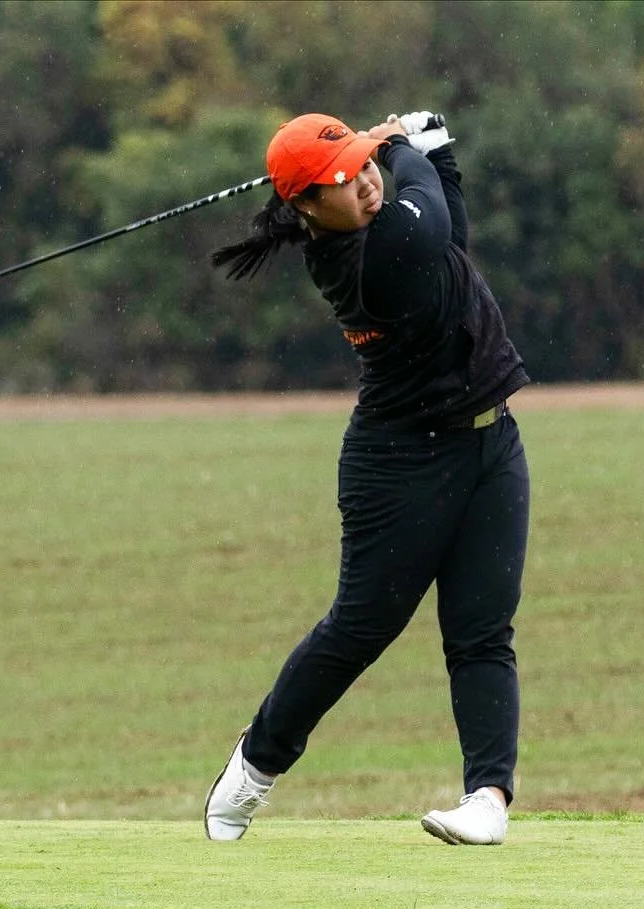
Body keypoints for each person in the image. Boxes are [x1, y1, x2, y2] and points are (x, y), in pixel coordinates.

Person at [204, 111, 531, 845]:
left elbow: (451, 232)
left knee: (482, 630)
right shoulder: (368, 257)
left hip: (491, 445)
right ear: (307, 208)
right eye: (344, 180)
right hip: (400, 462)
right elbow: (428, 211)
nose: (366, 183)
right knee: (360, 628)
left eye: (363, 165)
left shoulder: (399, 230)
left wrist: (435, 142)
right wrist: (398, 141)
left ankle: (487, 799)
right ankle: (254, 767)